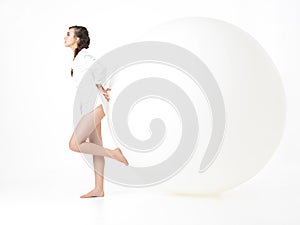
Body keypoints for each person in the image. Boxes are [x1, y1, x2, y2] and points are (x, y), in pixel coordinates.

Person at [64, 25, 129, 198]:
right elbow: (95, 75)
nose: (65, 37)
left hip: (94, 105)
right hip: (89, 105)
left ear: (77, 39)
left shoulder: (84, 56)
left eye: (68, 34)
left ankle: (114, 153)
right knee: (95, 147)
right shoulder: (78, 58)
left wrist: (105, 88)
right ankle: (99, 189)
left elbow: (100, 69)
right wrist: (100, 86)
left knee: (75, 144)